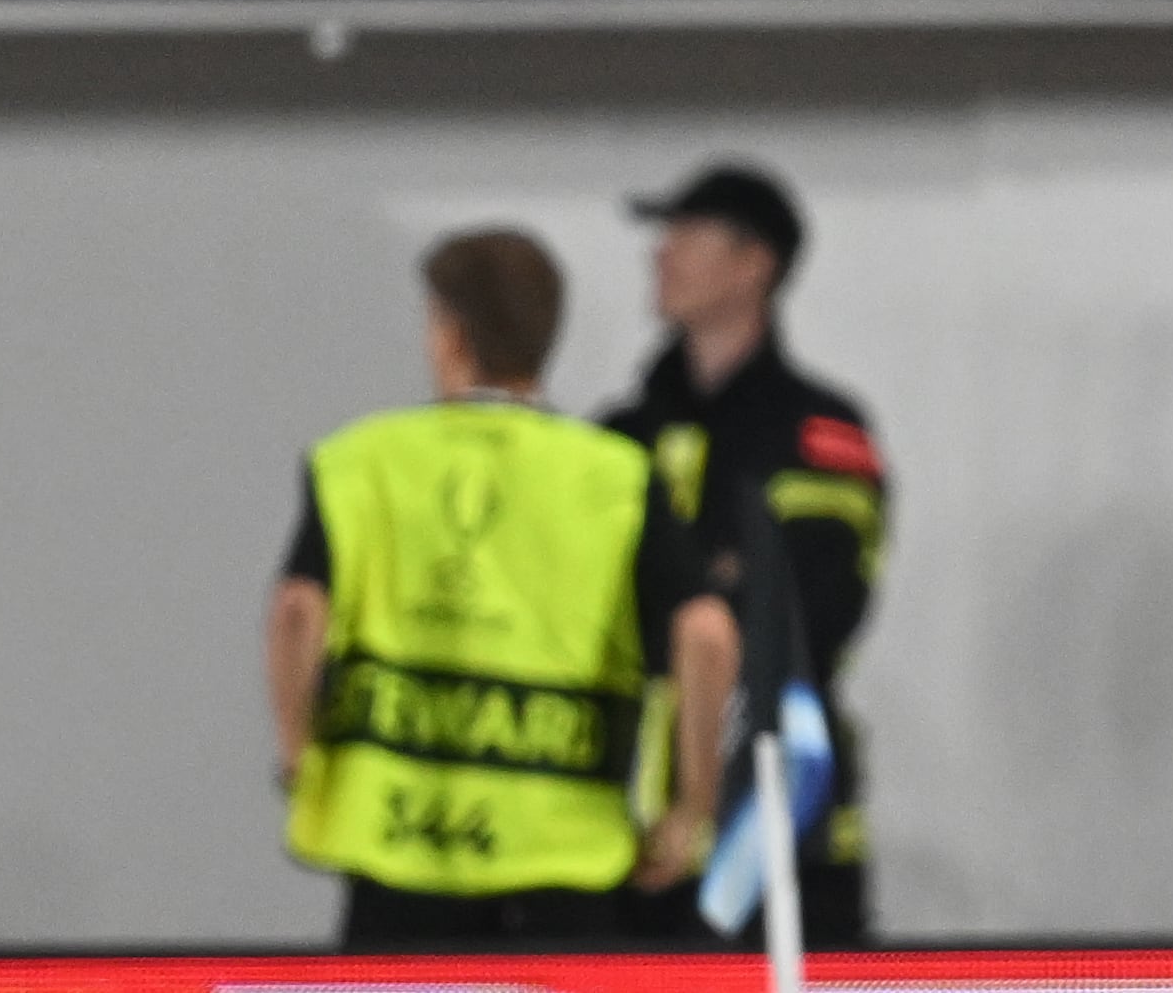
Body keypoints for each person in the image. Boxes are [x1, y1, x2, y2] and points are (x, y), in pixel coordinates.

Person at [275, 228, 742, 946]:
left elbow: (299, 611)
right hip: (561, 869)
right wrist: (693, 804)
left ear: (451, 334)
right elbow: (707, 635)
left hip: (400, 857)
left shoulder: (363, 462)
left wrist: (299, 750)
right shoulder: (612, 477)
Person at [608, 164, 886, 946]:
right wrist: (719, 573)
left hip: (781, 828)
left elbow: (815, 613)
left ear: (754, 264)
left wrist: (675, 592)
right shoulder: (618, 434)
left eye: (685, 235)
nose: (660, 255)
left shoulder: (820, 432)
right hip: (630, 835)